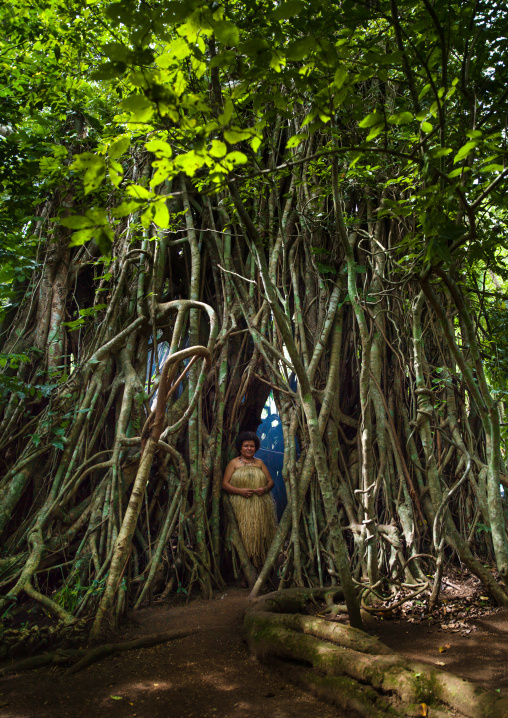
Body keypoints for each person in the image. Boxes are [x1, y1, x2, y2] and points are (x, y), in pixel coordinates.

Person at [222, 431, 276, 569]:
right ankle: (244, 570)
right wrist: (240, 491)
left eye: (252, 446)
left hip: (259, 505)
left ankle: (260, 567)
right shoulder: (233, 463)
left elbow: (270, 481)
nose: (249, 448)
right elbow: (225, 484)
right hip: (241, 506)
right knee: (244, 537)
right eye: (246, 446)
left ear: (256, 448)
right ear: (240, 448)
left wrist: (264, 489)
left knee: (260, 535)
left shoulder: (260, 463)